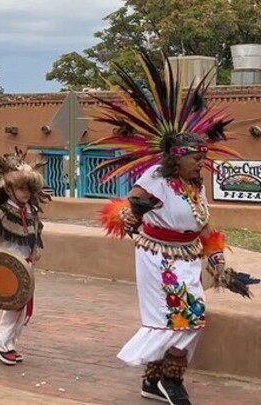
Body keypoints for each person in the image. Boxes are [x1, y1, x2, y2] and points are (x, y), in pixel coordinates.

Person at [90, 51, 240, 405]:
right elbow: (129, 206)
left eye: (203, 157)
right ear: (176, 156)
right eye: (195, 157)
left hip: (187, 259)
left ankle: (155, 381)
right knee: (177, 319)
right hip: (157, 259)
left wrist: (217, 261)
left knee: (191, 318)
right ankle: (168, 383)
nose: (201, 162)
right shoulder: (156, 177)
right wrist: (127, 215)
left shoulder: (195, 185)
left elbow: (205, 226)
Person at [0, 151, 47, 365]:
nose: (26, 193)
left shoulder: (30, 210)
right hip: (7, 267)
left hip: (26, 266)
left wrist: (34, 252)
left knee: (21, 308)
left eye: (29, 189)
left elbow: (34, 235)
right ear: (9, 189)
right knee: (12, 307)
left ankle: (11, 344)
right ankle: (2, 346)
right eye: (22, 188)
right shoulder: (0, 212)